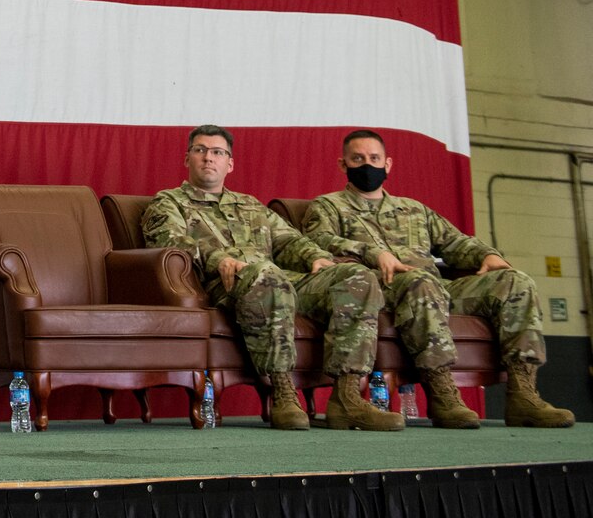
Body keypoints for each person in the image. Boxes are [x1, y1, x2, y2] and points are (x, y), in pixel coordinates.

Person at [302, 129, 574, 429]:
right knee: (420, 281)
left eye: (374, 158)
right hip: (380, 286)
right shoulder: (327, 206)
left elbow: (455, 242)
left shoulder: (414, 210)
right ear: (344, 165)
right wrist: (372, 253)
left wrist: (486, 254)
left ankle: (523, 394)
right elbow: (319, 242)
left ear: (388, 164)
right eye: (358, 159)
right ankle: (442, 391)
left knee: (515, 282)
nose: (368, 165)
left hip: (434, 286)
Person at [141, 124, 402, 431]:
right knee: (266, 275)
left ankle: (346, 398)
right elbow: (168, 243)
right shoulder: (168, 202)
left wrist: (314, 258)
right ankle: (283, 392)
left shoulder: (250, 205)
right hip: (227, 285)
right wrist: (218, 258)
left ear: (230, 163)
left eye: (217, 152)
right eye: (200, 150)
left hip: (279, 279)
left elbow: (289, 240)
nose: (208, 158)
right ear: (187, 159)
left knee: (357, 277)